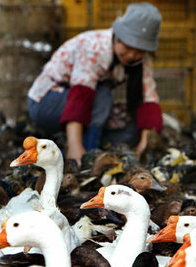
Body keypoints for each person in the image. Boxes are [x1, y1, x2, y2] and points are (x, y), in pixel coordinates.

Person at [27, 2, 163, 166]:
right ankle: (85, 153)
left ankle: (88, 143)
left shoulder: (141, 60)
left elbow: (148, 99)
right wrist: (75, 146)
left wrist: (145, 144)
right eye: (128, 46)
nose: (132, 55)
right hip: (46, 102)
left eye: (139, 50)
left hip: (86, 104)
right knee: (103, 96)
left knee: (132, 127)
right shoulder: (94, 47)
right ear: (118, 36)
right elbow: (80, 96)